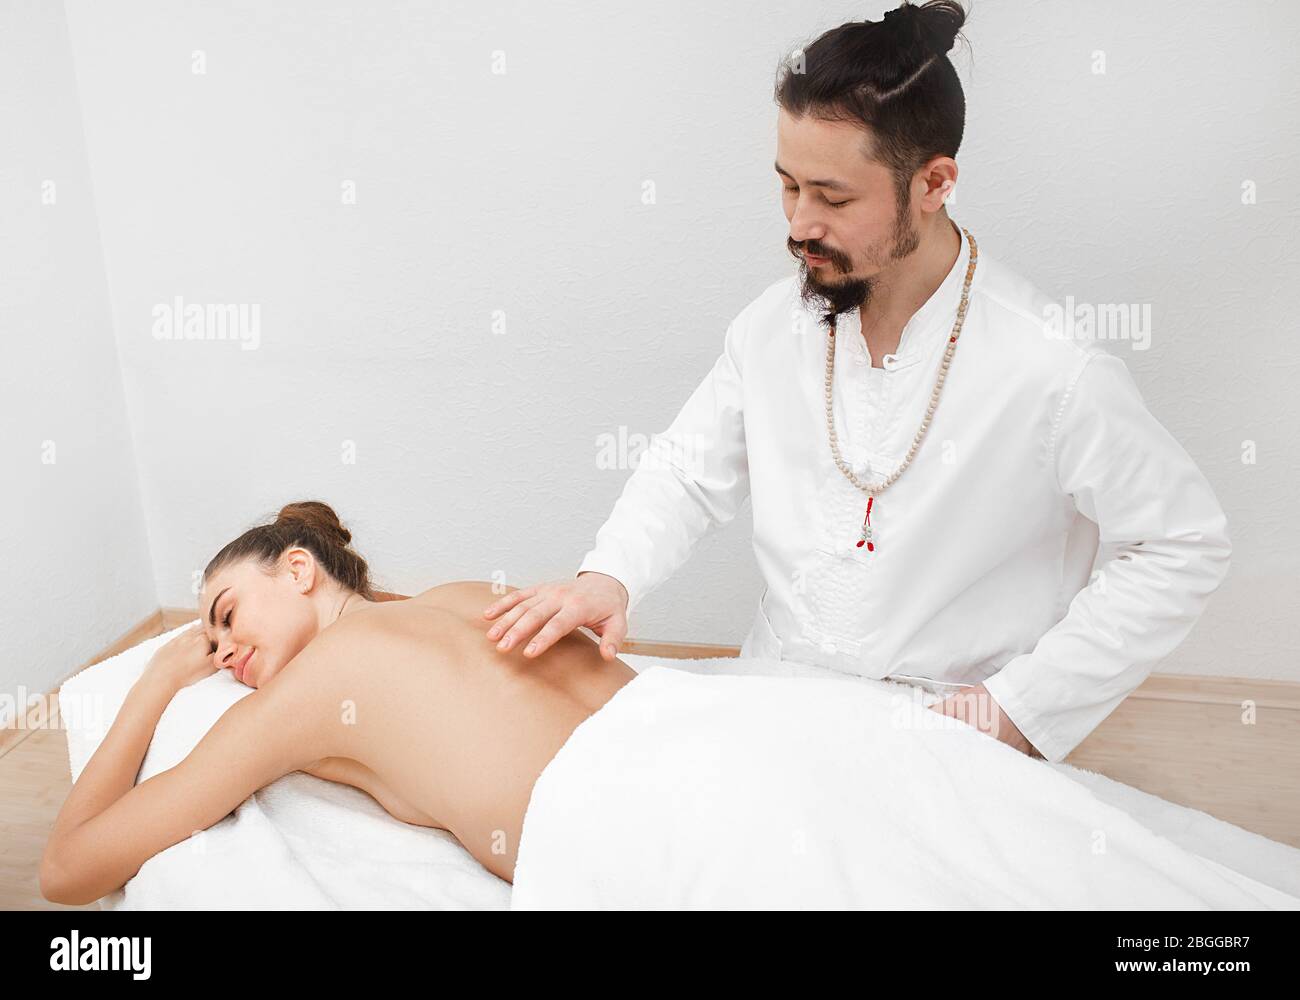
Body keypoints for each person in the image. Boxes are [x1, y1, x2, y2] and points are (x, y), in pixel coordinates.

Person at [481, 0, 1232, 764]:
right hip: (771, 712)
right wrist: (611, 577)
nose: (800, 223)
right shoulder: (773, 326)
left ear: (933, 183)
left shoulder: (1052, 368)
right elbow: (685, 473)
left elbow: (1182, 544)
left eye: (834, 198)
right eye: (787, 186)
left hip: (944, 746)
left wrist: (1018, 708)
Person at [40, 501, 637, 905]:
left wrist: (154, 682)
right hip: (694, 732)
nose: (219, 653)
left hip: (639, 837)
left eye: (226, 616)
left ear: (298, 568)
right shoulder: (463, 595)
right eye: (210, 644)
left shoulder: (310, 690)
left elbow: (65, 872)